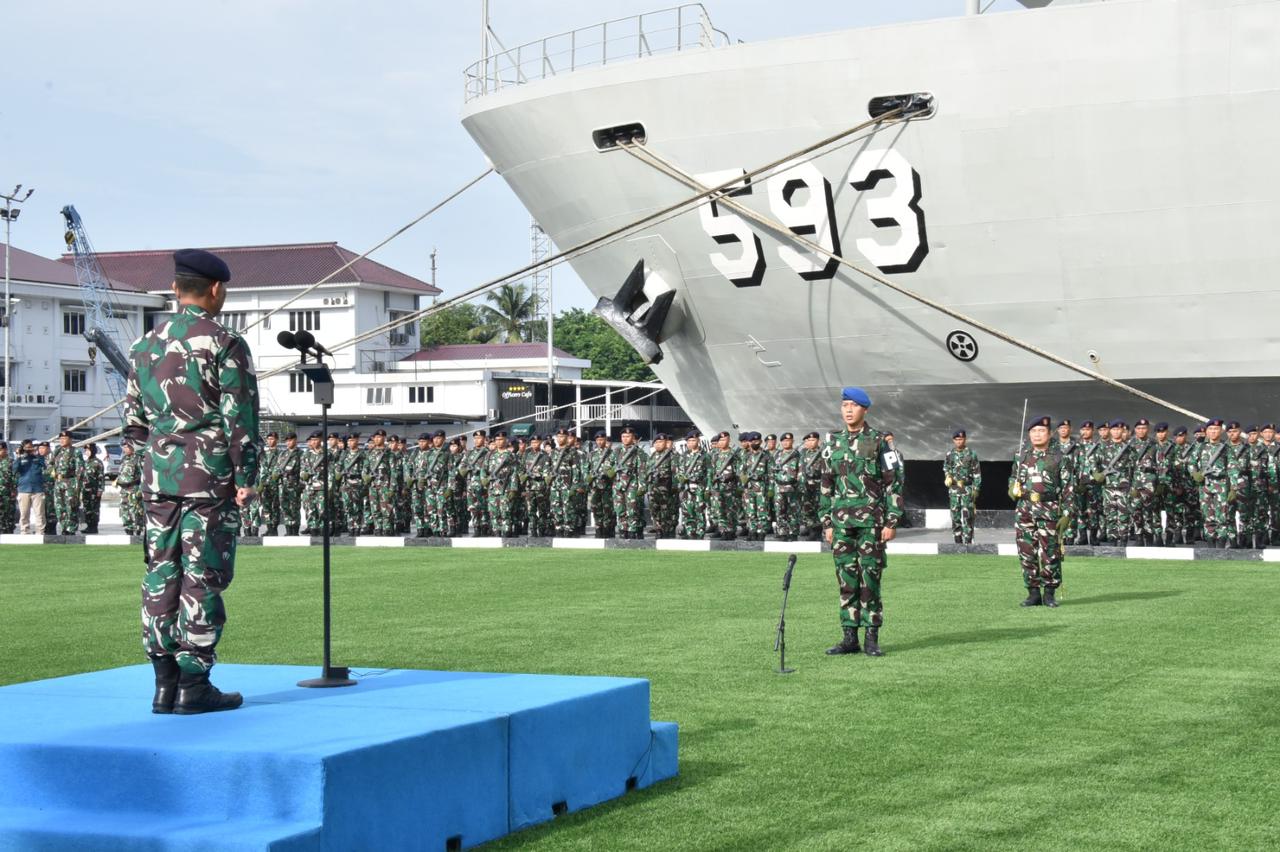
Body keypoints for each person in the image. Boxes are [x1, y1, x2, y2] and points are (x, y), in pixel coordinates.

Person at [123, 248, 258, 714]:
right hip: (210, 480)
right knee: (203, 576)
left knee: (161, 574)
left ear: (177, 288)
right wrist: (248, 477)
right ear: (215, 289)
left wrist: (154, 464)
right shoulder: (224, 342)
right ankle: (194, 686)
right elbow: (239, 419)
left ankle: (164, 683)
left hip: (159, 480)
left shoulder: (145, 346)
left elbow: (134, 424)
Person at [821, 387, 903, 658]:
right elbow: (826, 485)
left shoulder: (879, 441)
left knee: (870, 578)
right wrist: (827, 523)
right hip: (842, 525)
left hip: (871, 524)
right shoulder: (832, 442)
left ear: (864, 409)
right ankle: (849, 637)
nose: (848, 410)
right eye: (844, 405)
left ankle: (871, 637)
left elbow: (894, 483)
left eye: (853, 405)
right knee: (846, 579)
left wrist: (891, 520)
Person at [1009, 415, 1072, 606]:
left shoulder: (1060, 457)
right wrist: (1012, 488)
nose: (1037, 435)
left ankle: (1050, 593)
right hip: (1025, 510)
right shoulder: (1021, 456)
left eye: (1041, 431)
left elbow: (1068, 487)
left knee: (1049, 552)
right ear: (1029, 434)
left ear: (1049, 433)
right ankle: (1033, 592)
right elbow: (1013, 478)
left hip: (1049, 509)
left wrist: (1067, 514)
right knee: (1026, 551)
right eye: (1033, 431)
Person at [1187, 418, 1232, 547]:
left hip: (1221, 486)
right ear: (1207, 431)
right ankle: (1211, 544)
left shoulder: (1226, 448)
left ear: (1221, 431)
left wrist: (1233, 488)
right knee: (1208, 516)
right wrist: (1195, 474)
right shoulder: (1200, 447)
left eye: (1216, 429)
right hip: (1205, 486)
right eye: (1211, 429)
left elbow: (1233, 468)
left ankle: (1221, 543)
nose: (1213, 432)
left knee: (1222, 517)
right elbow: (1191, 463)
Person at [943, 428, 981, 544]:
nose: (959, 441)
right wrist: (948, 476)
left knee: (967, 516)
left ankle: (968, 542)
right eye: (957, 439)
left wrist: (976, 489)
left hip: (967, 489)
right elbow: (946, 468)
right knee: (955, 516)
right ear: (954, 440)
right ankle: (957, 541)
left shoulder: (971, 454)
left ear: (965, 439)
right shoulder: (950, 454)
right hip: (954, 489)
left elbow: (977, 473)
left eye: (961, 439)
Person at [49, 430, 83, 536]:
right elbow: (50, 464)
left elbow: (80, 470)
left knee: (71, 506)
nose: (62, 441)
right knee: (59, 507)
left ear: (70, 439)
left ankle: (71, 528)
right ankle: (64, 526)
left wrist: (77, 486)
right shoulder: (57, 451)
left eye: (65, 438)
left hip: (70, 482)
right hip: (59, 482)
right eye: (61, 439)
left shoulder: (75, 451)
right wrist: (52, 471)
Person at [14, 439, 46, 535]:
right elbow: (14, 470)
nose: (28, 449)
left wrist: (36, 453)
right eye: (26, 447)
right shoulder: (20, 458)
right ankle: (24, 531)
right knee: (24, 513)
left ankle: (40, 532)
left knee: (40, 513)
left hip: (38, 489)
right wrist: (19, 456)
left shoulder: (38, 457)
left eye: (30, 447)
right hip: (24, 489)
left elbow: (44, 466)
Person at [80, 443, 106, 534]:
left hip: (94, 490)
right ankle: (88, 525)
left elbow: (101, 478)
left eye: (88, 450)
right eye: (86, 451)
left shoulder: (98, 462)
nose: (87, 452)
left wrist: (100, 489)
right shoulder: (85, 462)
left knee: (94, 508)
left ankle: (94, 526)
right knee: (87, 508)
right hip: (85, 490)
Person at [0, 442, 17, 534]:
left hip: (7, 492)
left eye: (1, 450)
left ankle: (8, 530)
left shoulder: (10, 462)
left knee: (8, 513)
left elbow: (15, 476)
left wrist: (14, 489)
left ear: (5, 450)